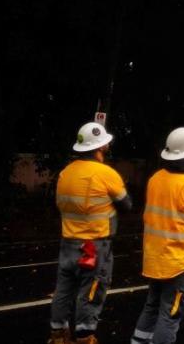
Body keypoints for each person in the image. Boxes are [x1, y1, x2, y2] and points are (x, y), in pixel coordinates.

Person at [50, 122, 132, 344]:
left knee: (64, 290)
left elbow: (58, 205)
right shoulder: (107, 173)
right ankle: (85, 337)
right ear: (101, 147)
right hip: (95, 245)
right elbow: (126, 205)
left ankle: (58, 335)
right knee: (91, 291)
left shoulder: (65, 173)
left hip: (68, 242)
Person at [132, 127, 184, 344]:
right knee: (170, 314)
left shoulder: (155, 179)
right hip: (178, 262)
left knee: (152, 306)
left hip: (155, 259)